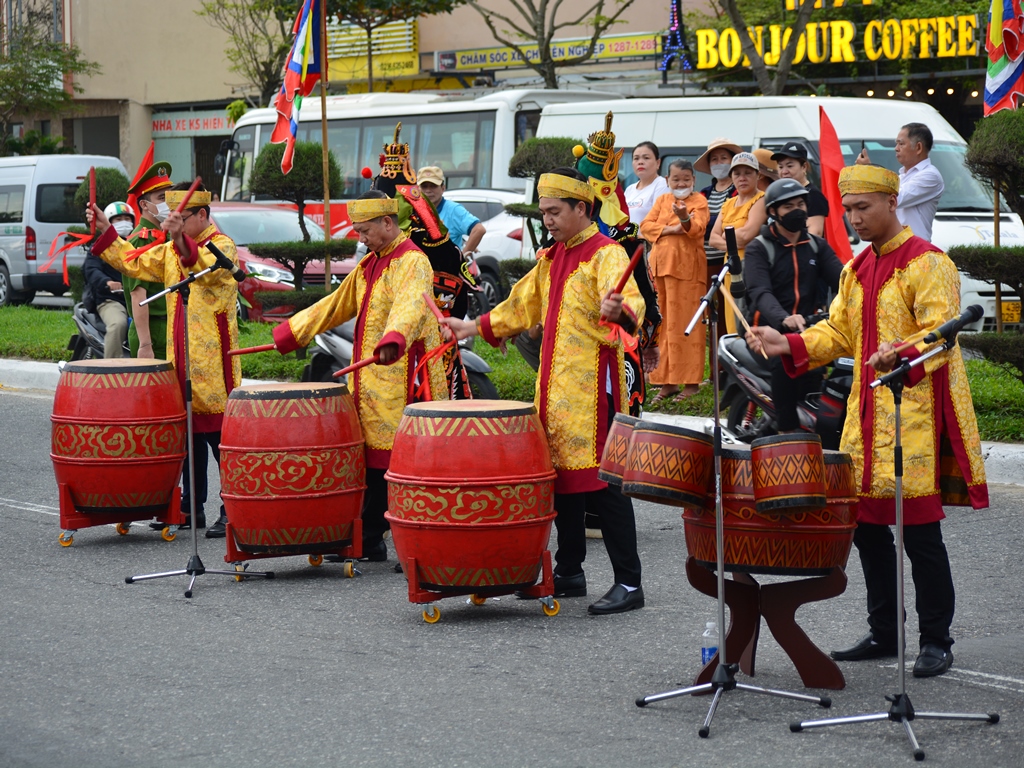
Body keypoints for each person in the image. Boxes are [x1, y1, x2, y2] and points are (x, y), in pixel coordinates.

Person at [745, 164, 988, 678]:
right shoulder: (856, 269)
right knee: (869, 535)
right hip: (864, 418)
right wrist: (784, 342)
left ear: (891, 202)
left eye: (863, 208)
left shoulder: (929, 263)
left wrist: (898, 353)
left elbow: (940, 336)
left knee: (920, 537)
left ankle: (936, 640)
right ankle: (884, 631)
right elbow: (835, 332)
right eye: (848, 210)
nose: (854, 219)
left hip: (911, 420)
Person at [443, 168, 646, 616]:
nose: (548, 220)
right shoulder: (553, 258)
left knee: (603, 486)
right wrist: (472, 325)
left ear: (582, 209)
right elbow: (521, 305)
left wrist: (622, 312)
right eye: (543, 212)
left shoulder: (606, 255)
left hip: (595, 392)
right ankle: (570, 571)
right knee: (561, 481)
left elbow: (635, 307)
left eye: (555, 211)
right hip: (553, 390)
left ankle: (630, 583)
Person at [271, 190, 448, 562]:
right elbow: (335, 305)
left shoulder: (413, 261)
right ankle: (369, 538)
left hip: (405, 375)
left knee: (399, 460)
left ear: (388, 222)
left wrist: (394, 338)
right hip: (370, 378)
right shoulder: (370, 264)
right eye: (357, 232)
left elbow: (410, 306)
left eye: (365, 231)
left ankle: (389, 538)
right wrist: (290, 334)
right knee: (370, 459)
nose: (361, 239)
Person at [87, 182, 241, 537]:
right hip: (181, 359)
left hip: (215, 366)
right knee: (189, 438)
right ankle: (191, 507)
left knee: (222, 441)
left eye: (181, 218)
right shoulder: (171, 250)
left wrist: (181, 241)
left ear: (202, 215)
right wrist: (105, 230)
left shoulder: (222, 246)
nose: (174, 224)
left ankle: (233, 508)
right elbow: (134, 262)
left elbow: (201, 263)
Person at [743, 179, 844, 433]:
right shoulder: (759, 248)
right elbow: (760, 291)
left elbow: (844, 280)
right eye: (789, 207)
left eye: (801, 204)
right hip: (765, 330)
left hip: (807, 328)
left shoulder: (816, 246)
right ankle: (785, 432)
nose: (797, 210)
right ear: (773, 212)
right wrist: (783, 318)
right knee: (785, 361)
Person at [640, 160, 709, 402]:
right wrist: (672, 228)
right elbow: (645, 227)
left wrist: (684, 220)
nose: (681, 183)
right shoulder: (662, 201)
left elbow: (696, 228)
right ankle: (666, 382)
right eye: (676, 179)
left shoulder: (699, 201)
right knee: (663, 326)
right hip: (660, 270)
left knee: (688, 327)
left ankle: (691, 383)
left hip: (688, 272)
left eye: (686, 179)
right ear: (667, 180)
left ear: (693, 181)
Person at [708, 152, 767, 334]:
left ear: (758, 175)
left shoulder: (762, 199)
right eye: (737, 173)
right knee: (732, 321)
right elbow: (712, 238)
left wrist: (727, 236)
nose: (742, 178)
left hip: (751, 267)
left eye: (748, 173)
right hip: (730, 269)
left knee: (748, 321)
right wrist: (734, 240)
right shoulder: (728, 204)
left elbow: (747, 234)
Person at [857, 123, 944, 242]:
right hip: (894, 245)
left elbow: (895, 198)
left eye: (901, 143)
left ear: (918, 148)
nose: (896, 148)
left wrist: (869, 170)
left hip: (915, 248)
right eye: (896, 143)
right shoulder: (902, 176)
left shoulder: (930, 175)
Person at [122, 161, 173, 359]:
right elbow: (138, 296)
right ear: (144, 204)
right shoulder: (139, 241)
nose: (167, 203)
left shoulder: (166, 236)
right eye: (161, 198)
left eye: (169, 197)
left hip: (170, 326)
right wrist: (145, 345)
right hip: (152, 331)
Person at [82, 206, 130, 359]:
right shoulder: (100, 245)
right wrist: (107, 282)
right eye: (118, 219)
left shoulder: (137, 243)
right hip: (111, 300)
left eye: (127, 219)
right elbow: (90, 269)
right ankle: (110, 369)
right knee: (118, 325)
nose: (124, 222)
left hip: (137, 300)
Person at [417, 166, 486, 255]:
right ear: (418, 189)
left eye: (433, 186)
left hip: (446, 268)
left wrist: (463, 258)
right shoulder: (413, 210)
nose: (428, 190)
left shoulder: (453, 210)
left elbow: (479, 230)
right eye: (424, 186)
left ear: (443, 188)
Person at [771, 141, 829, 237]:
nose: (784, 171)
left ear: (804, 167)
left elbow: (815, 234)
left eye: (790, 166)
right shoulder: (778, 195)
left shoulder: (814, 196)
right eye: (780, 167)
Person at [695, 137, 741, 242]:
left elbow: (732, 222)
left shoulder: (739, 191)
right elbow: (693, 223)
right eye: (714, 159)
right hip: (703, 255)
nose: (719, 163)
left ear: (733, 161)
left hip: (727, 254)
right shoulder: (703, 193)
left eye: (723, 158)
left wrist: (704, 223)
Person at [624, 141, 668, 225]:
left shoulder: (662, 185)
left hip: (647, 238)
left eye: (646, 158)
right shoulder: (630, 189)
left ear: (658, 163)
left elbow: (660, 221)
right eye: (636, 158)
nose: (640, 162)